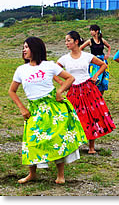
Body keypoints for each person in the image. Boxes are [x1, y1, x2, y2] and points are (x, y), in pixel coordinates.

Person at [8, 37, 87, 184]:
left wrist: (60, 92)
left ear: (36, 48)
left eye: (27, 47)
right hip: (34, 109)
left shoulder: (49, 65)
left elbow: (70, 78)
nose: (24, 50)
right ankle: (32, 174)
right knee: (31, 141)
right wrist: (22, 108)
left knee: (57, 140)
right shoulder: (21, 70)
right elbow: (12, 91)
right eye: (23, 47)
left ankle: (60, 175)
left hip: (53, 109)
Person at [56, 31, 116, 154]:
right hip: (73, 90)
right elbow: (53, 71)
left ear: (76, 41)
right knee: (73, 116)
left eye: (69, 40)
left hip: (88, 89)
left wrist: (95, 76)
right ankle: (74, 145)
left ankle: (91, 147)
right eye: (65, 41)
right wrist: (63, 84)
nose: (66, 43)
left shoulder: (86, 56)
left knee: (91, 116)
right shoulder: (64, 59)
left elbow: (103, 65)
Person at [80, 24, 111, 95]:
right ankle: (93, 96)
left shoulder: (102, 40)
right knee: (95, 80)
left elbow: (109, 46)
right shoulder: (89, 41)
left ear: (97, 31)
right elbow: (80, 48)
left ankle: (100, 97)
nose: (91, 32)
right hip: (94, 62)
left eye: (92, 30)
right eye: (90, 30)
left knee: (104, 81)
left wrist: (107, 55)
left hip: (102, 62)